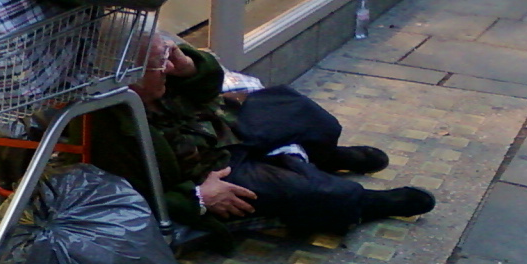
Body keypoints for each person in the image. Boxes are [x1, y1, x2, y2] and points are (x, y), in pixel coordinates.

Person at [90, 35, 436, 245]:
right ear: (126, 77)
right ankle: (366, 203)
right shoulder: (110, 127)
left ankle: (324, 155)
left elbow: (207, 89)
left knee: (301, 110)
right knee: (317, 194)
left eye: (164, 59)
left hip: (226, 124)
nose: (166, 69)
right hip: (212, 170)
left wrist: (190, 66)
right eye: (157, 65)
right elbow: (131, 196)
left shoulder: (160, 78)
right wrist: (196, 197)